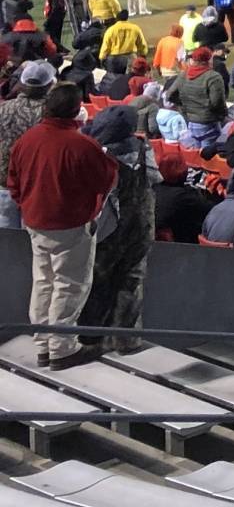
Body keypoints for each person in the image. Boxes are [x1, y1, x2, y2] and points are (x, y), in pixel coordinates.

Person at [8, 84, 120, 365]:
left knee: (44, 281)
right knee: (69, 284)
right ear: (75, 110)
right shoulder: (82, 144)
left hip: (35, 221)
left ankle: (43, 342)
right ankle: (62, 346)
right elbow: (107, 180)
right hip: (69, 223)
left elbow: (13, 183)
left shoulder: (28, 139)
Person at [78, 106, 154, 349]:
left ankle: (90, 336)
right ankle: (125, 339)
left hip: (108, 228)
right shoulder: (144, 149)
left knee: (99, 280)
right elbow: (156, 178)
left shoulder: (99, 154)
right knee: (130, 281)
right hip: (139, 225)